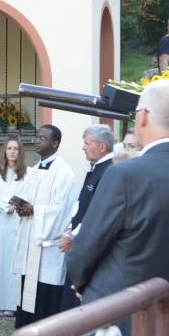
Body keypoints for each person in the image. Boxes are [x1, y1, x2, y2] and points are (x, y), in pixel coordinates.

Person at [69, 80, 169, 336]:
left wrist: (81, 283)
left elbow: (87, 245)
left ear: (143, 116)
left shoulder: (124, 175)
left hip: (117, 318)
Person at [14, 124, 78, 328]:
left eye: (42, 138)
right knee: (27, 284)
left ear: (55, 143)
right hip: (29, 240)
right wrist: (20, 208)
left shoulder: (64, 172)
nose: (37, 141)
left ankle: (46, 333)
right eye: (37, 137)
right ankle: (26, 328)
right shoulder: (33, 170)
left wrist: (35, 210)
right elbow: (26, 198)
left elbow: (62, 209)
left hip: (47, 244)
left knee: (44, 289)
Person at [58, 125, 115, 312]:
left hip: (87, 244)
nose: (83, 147)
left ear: (102, 147)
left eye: (87, 143)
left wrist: (72, 235)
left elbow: (96, 211)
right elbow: (81, 206)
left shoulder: (109, 171)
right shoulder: (97, 168)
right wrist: (69, 228)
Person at [0, 136, 33, 316]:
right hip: (1, 222)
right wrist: (1, 206)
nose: (12, 151)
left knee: (16, 262)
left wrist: (17, 206)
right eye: (9, 148)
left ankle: (14, 303)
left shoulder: (29, 173)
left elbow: (32, 196)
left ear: (20, 151)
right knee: (0, 261)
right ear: (4, 150)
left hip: (19, 222)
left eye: (16, 148)